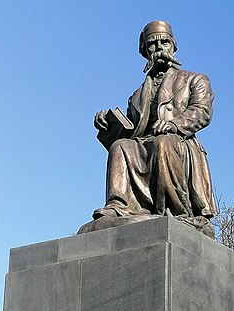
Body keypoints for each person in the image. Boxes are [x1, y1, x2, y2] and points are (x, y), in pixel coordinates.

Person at [79, 20, 217, 236]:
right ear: (145, 52)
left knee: (163, 142)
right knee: (121, 147)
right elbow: (132, 129)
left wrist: (173, 124)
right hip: (145, 143)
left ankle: (176, 211)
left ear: (173, 46)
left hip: (178, 143)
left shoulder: (194, 80)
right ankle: (118, 205)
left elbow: (202, 112)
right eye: (152, 44)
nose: (159, 48)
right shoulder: (136, 95)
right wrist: (108, 120)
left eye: (165, 42)